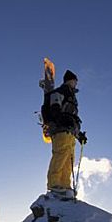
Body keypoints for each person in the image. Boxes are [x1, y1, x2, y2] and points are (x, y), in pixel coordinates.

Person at [46, 69, 87, 197]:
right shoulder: (61, 91)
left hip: (70, 131)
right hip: (61, 129)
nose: (76, 84)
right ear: (70, 80)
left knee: (69, 159)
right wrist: (60, 119)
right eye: (75, 81)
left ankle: (64, 185)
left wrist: (79, 135)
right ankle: (54, 183)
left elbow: (72, 117)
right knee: (60, 154)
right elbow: (55, 106)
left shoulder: (72, 97)